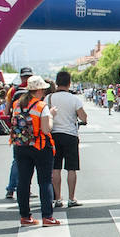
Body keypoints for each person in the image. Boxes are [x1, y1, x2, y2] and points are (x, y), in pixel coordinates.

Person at [11, 75, 59, 226]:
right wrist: (51, 116)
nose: (44, 91)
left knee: (23, 182)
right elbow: (46, 129)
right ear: (38, 90)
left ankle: (25, 216)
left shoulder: (17, 105)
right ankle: (47, 216)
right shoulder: (41, 106)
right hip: (40, 146)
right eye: (43, 89)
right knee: (44, 182)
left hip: (21, 146)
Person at [48, 71, 87, 208]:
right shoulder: (74, 99)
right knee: (71, 168)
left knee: (55, 168)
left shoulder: (49, 98)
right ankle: (71, 198)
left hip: (53, 135)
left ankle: (58, 198)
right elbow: (83, 117)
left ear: (57, 82)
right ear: (69, 83)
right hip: (70, 135)